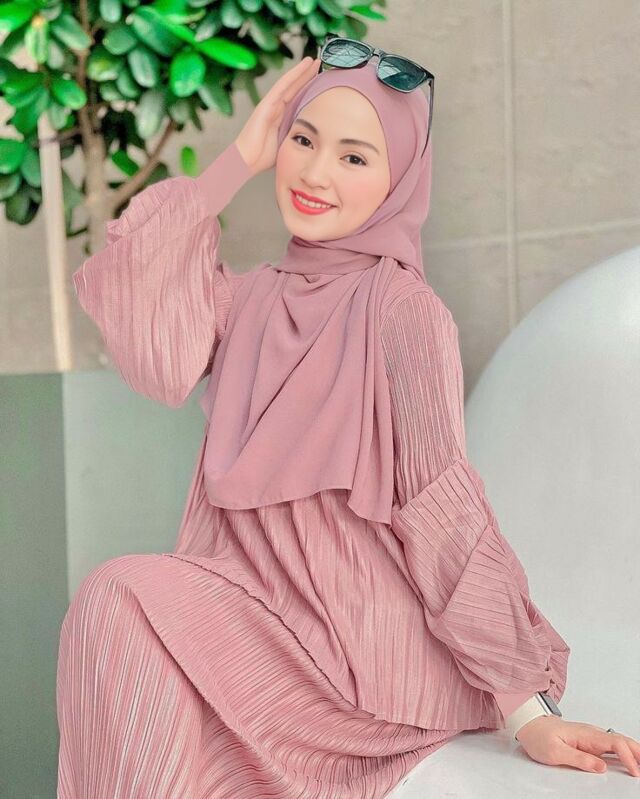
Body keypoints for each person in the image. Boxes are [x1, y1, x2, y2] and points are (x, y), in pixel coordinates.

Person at [57, 49, 640, 797]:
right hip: (256, 620)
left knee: (122, 595)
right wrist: (238, 159)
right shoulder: (247, 301)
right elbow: (145, 332)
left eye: (355, 156)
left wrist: (526, 708)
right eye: (302, 140)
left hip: (359, 653)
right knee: (117, 605)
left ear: (399, 178)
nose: (314, 173)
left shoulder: (403, 312)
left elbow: (444, 511)